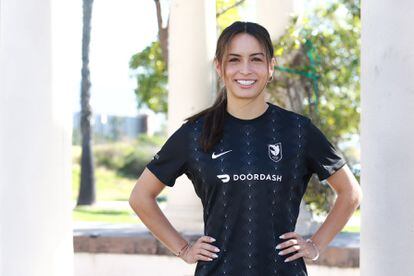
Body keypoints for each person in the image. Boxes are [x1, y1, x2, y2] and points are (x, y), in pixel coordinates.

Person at [129, 21, 362, 276]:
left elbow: (350, 192)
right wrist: (184, 249)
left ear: (271, 66)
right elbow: (141, 197)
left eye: (256, 59)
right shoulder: (196, 133)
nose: (246, 69)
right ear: (219, 67)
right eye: (234, 60)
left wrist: (315, 245)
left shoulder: (297, 130)